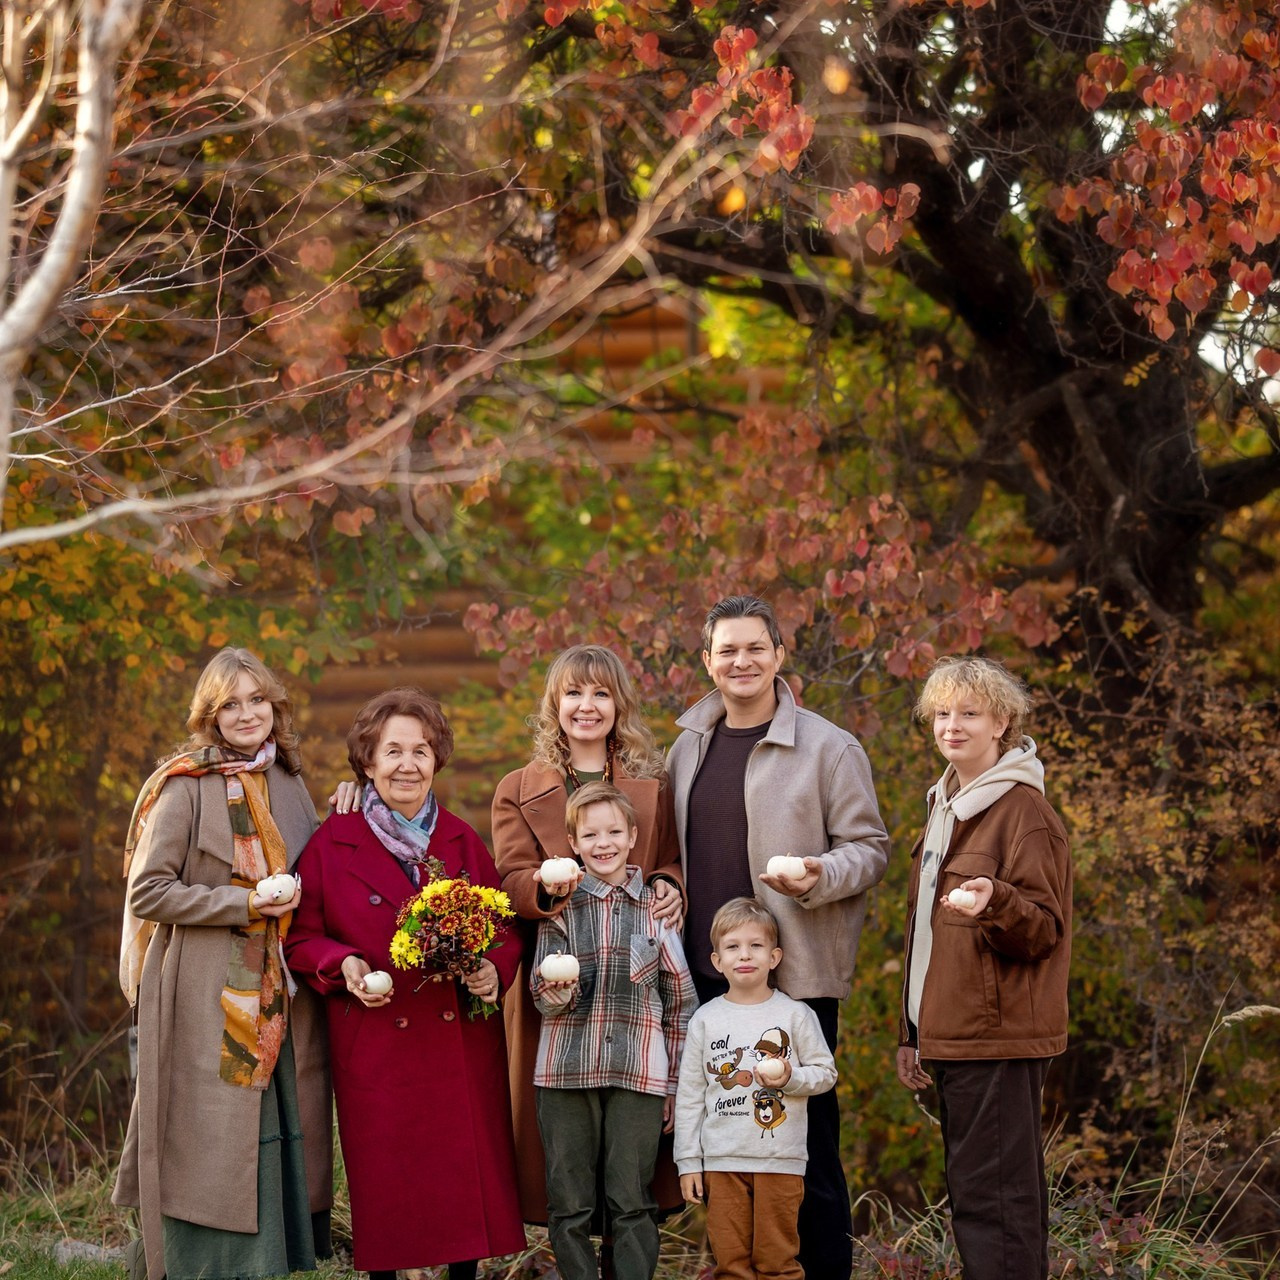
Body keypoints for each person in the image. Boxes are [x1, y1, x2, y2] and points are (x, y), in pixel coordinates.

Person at [666, 594, 890, 1279]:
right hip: (710, 982)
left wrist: (818, 874)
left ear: (779, 655)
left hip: (796, 980)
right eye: (727, 650)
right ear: (708, 662)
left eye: (755, 648)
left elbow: (870, 848)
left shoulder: (828, 747)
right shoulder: (686, 748)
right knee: (728, 1146)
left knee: (807, 1150)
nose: (742, 661)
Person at [285, 687, 525, 1280]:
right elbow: (300, 937)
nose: (407, 765)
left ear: (436, 759)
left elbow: (503, 930)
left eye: (421, 750)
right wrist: (343, 964)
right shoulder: (332, 843)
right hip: (376, 1041)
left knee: (460, 1182)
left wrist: (492, 970)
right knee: (389, 1182)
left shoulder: (461, 840)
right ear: (367, 761)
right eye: (392, 751)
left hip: (457, 1041)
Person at [113, 648, 332, 1280]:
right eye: (230, 704)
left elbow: (316, 864)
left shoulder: (288, 781)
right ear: (210, 716)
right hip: (204, 986)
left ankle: (275, 1256)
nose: (246, 714)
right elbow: (149, 891)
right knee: (211, 1125)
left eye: (257, 700)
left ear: (274, 707)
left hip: (278, 986)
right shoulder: (184, 786)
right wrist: (244, 902)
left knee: (275, 1111)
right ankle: (200, 1261)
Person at [491, 644, 685, 1225]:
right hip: (558, 987)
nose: (587, 705)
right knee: (567, 1164)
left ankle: (626, 1255)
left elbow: (669, 858)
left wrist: (670, 883)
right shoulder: (517, 787)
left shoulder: (654, 784)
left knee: (630, 1167)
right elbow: (509, 878)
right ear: (555, 704)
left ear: (618, 703)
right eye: (573, 693)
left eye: (601, 693)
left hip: (633, 986)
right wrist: (544, 885)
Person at [895, 655, 1071, 1280]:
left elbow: (1044, 930)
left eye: (969, 713)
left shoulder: (1024, 813)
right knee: (977, 1199)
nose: (952, 725)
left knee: (998, 1206)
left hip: (996, 1039)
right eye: (942, 713)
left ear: (1001, 723)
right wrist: (913, 1033)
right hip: (953, 1035)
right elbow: (927, 940)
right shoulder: (948, 806)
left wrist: (996, 900)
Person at [531, 782, 695, 1280]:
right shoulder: (559, 907)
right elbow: (541, 995)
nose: (603, 844)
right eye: (590, 835)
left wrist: (674, 1085)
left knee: (632, 1200)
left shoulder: (657, 909)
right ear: (573, 844)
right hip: (565, 1072)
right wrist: (557, 990)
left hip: (638, 1074)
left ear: (633, 837)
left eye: (614, 832)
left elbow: (680, 1005)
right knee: (569, 1204)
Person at [674, 898, 837, 1280]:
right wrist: (688, 1162)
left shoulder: (796, 1015)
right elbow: (690, 1097)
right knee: (731, 1265)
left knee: (776, 1262)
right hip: (721, 1163)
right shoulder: (705, 1020)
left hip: (779, 1161)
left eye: (756, 945)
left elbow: (825, 1073)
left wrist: (790, 1077)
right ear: (717, 961)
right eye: (733, 946)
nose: (744, 955)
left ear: (774, 957)